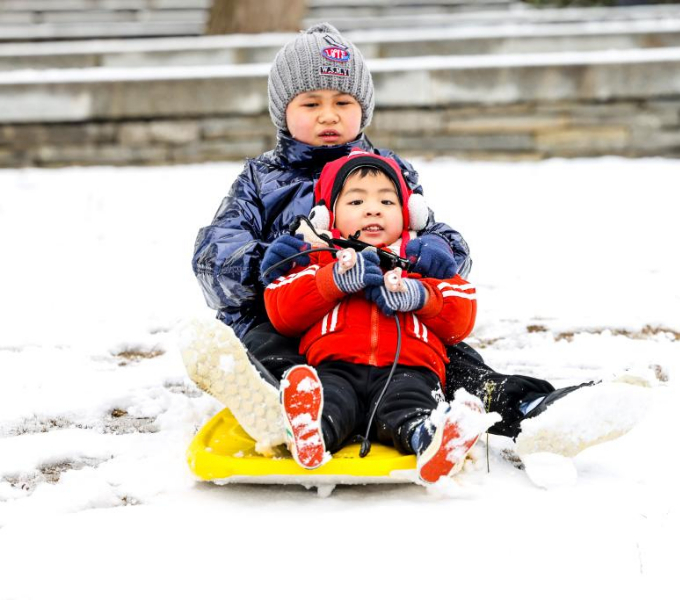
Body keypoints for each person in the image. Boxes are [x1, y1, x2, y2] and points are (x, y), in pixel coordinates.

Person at [187, 23, 579, 457]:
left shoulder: (389, 173)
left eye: (343, 102)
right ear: (283, 110)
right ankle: (281, 405)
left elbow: (437, 238)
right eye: (311, 102)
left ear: (363, 108)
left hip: (385, 320)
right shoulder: (261, 181)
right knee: (269, 346)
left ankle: (521, 406)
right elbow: (214, 257)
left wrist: (430, 255)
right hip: (295, 318)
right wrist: (281, 264)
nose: (328, 115)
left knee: (451, 359)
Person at [263, 151, 497, 483]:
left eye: (387, 203)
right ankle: (310, 430)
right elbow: (281, 309)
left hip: (410, 369)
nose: (373, 209)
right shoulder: (314, 260)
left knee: (411, 408)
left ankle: (435, 441)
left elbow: (462, 315)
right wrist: (332, 281)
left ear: (408, 214)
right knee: (331, 402)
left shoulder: (427, 262)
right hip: (335, 366)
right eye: (356, 203)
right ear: (327, 216)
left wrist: (422, 296)